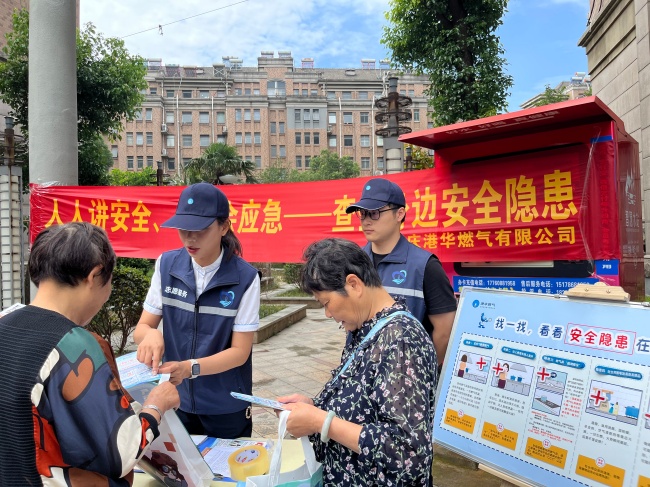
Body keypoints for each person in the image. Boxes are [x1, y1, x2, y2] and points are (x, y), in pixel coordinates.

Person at [0, 222, 180, 486]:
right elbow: (121, 451)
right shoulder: (73, 344)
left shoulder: (5, 320)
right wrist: (156, 404)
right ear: (95, 275)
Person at [279, 238, 437, 486]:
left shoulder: (401, 340)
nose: (328, 314)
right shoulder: (368, 328)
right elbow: (361, 407)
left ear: (353, 284)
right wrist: (314, 408)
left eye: (327, 303)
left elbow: (408, 453)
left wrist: (321, 422)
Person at [134, 182, 260, 438]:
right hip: (176, 400)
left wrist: (190, 368)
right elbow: (142, 328)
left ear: (223, 227)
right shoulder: (167, 265)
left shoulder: (245, 278)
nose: (190, 238)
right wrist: (151, 334)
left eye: (200, 230)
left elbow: (239, 352)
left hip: (226, 405)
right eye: (183, 229)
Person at [346, 178, 457, 366]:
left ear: (399, 214)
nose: (366, 220)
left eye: (374, 213)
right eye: (362, 213)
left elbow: (444, 331)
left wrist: (418, 371)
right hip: (360, 373)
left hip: (403, 377)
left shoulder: (425, 266)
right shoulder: (354, 262)